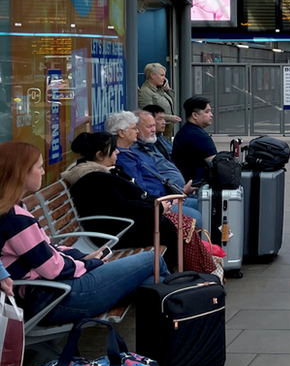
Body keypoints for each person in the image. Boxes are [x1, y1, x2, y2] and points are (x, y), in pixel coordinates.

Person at [0, 142, 169, 326]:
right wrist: (89, 263)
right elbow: (53, 269)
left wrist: (83, 257)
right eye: (39, 167)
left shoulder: (11, 211)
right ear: (21, 173)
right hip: (57, 298)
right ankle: (181, 318)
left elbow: (46, 250)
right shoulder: (16, 219)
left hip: (50, 294)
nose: (43, 172)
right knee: (153, 260)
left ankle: (171, 327)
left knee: (153, 280)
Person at [61, 132, 191, 272]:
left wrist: (156, 205)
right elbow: (122, 207)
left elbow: (123, 204)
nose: (117, 151)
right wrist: (156, 207)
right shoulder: (96, 180)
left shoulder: (100, 174)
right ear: (99, 156)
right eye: (113, 149)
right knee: (166, 225)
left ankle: (175, 270)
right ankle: (171, 272)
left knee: (172, 223)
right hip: (113, 234)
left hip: (117, 227)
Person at [109, 111, 203, 226]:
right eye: (134, 128)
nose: (137, 131)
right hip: (156, 204)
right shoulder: (122, 158)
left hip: (167, 197)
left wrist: (176, 192)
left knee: (204, 204)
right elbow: (139, 189)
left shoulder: (134, 151)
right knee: (197, 217)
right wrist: (165, 200)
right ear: (121, 133)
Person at [131, 111, 202, 217]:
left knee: (207, 205)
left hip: (175, 194)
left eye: (154, 125)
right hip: (162, 201)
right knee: (197, 215)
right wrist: (171, 197)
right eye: (149, 126)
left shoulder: (149, 145)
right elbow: (146, 185)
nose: (154, 130)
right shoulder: (134, 153)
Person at [172, 97, 217, 185]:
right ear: (195, 115)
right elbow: (215, 163)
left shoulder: (184, 131)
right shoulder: (199, 136)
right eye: (207, 112)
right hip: (194, 185)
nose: (211, 115)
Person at [138, 63, 181, 138]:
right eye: (162, 75)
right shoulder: (145, 92)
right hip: (156, 131)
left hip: (166, 130)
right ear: (152, 75)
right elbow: (147, 112)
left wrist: (168, 90)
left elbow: (171, 103)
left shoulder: (159, 90)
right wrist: (168, 118)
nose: (164, 78)